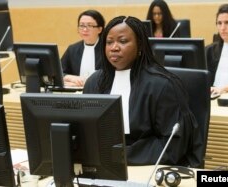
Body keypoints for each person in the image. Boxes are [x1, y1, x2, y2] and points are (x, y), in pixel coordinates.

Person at [83, 16, 202, 167]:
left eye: (123, 41)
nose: (114, 47)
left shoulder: (163, 85)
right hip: (104, 166)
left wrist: (121, 156)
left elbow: (172, 143)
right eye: (109, 42)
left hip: (150, 166)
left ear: (140, 46)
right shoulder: (94, 82)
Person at [61, 10, 105, 87]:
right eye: (82, 25)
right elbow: (58, 72)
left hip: (100, 91)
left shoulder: (107, 49)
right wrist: (69, 77)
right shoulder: (72, 49)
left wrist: (88, 83)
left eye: (90, 25)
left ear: (100, 29)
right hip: (76, 93)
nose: (85, 29)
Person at [206, 4, 228, 95]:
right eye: (219, 23)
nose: (222, 28)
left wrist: (221, 89)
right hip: (211, 98)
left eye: (227, 22)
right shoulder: (209, 50)